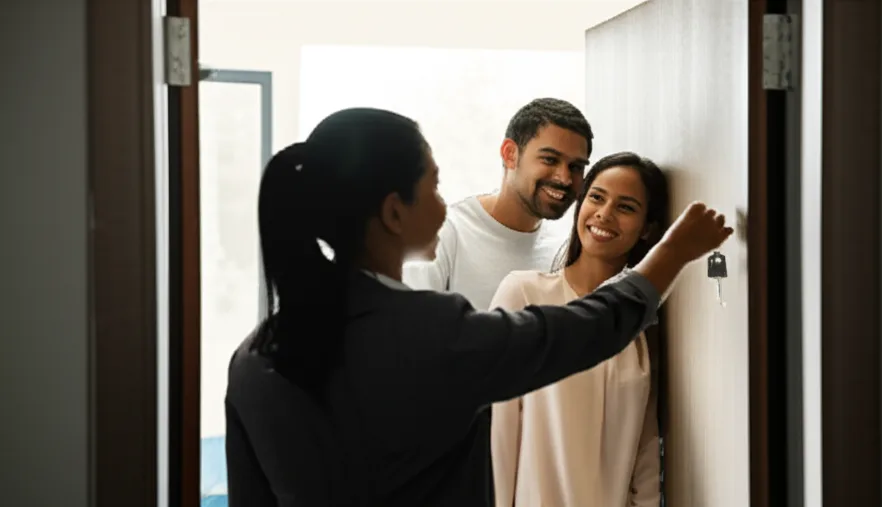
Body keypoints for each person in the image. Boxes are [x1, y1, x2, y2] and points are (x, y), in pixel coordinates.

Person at [224, 107, 733, 507]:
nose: (447, 205)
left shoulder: (255, 358)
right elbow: (583, 330)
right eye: (434, 186)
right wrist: (670, 253)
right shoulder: (432, 335)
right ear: (394, 211)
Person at [490, 152, 670, 507]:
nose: (604, 214)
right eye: (597, 197)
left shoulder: (642, 326)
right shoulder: (524, 294)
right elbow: (496, 432)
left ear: (647, 228)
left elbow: (646, 452)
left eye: (626, 207)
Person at [402, 98, 593, 310]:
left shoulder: (564, 248)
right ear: (510, 154)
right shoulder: (445, 234)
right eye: (549, 159)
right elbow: (412, 330)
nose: (565, 178)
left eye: (576, 167)